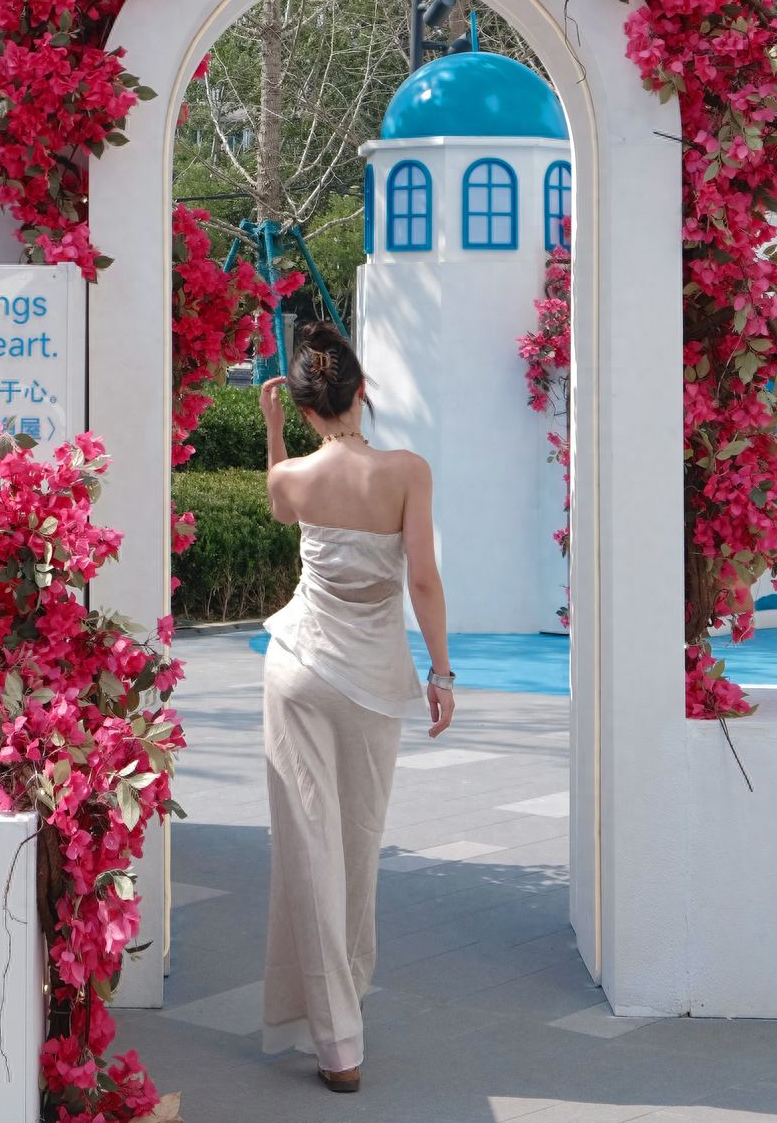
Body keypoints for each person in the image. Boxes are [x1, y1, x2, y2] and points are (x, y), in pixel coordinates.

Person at [258, 321, 454, 1096]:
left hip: (297, 666)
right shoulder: (408, 471)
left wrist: (274, 434)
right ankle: (343, 1011)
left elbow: (280, 505)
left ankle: (337, 1039)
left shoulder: (292, 477)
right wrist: (441, 673)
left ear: (306, 407)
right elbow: (425, 582)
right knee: (356, 846)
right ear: (362, 393)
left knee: (306, 849)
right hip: (373, 679)